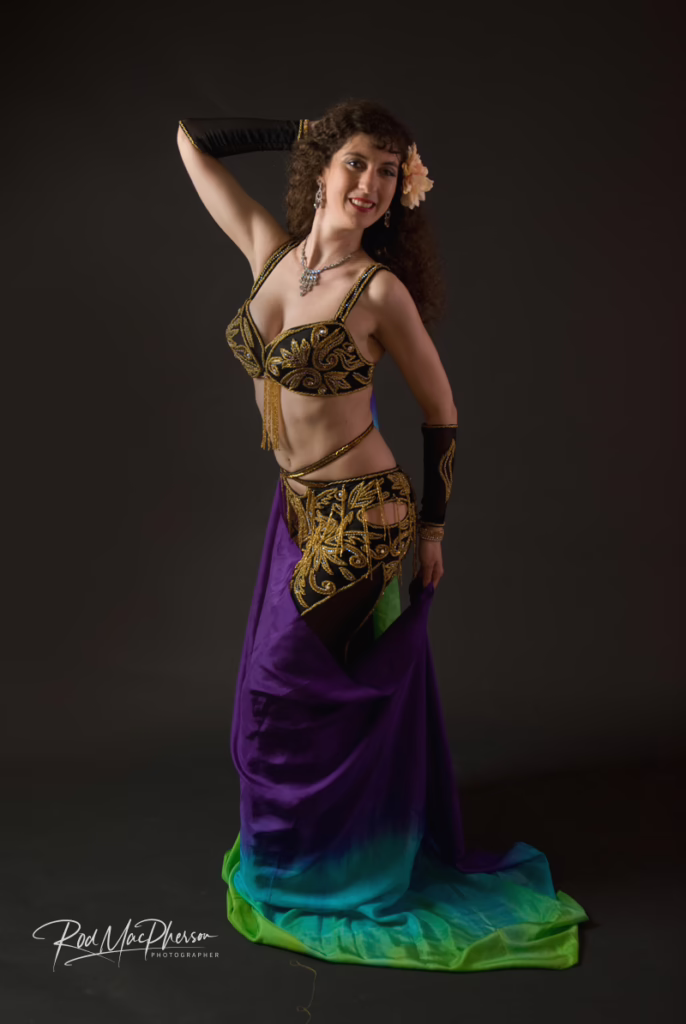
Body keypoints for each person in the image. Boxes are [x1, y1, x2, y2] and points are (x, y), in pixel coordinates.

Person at [177, 99, 589, 971]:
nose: (372, 184)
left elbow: (442, 410)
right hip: (296, 511)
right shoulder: (269, 251)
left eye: (390, 171)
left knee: (279, 692)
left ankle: (326, 872)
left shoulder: (380, 291)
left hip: (365, 517)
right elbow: (192, 142)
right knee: (309, 699)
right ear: (323, 169)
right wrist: (305, 131)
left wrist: (432, 530)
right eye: (358, 163)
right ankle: (326, 853)